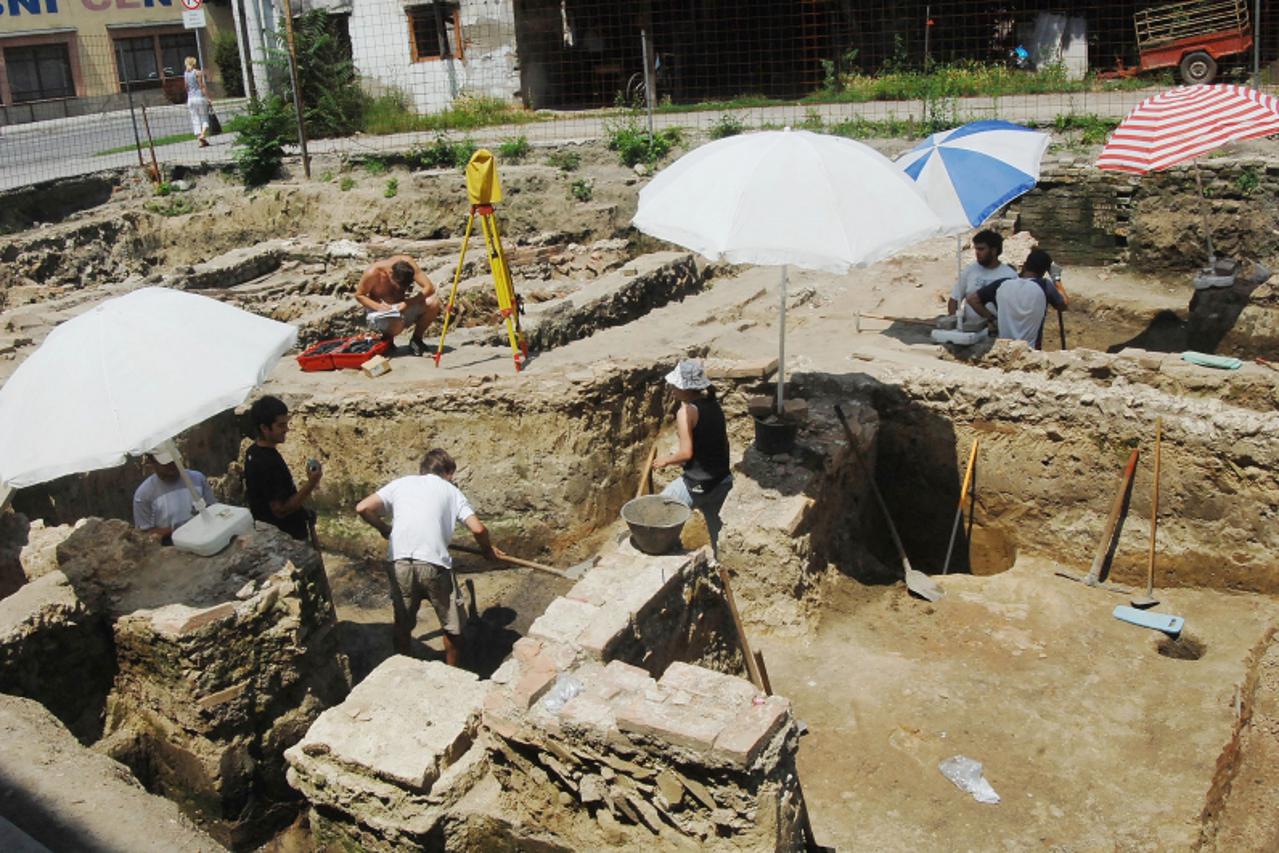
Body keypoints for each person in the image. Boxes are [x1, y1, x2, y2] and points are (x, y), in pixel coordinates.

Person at [354, 449, 503, 666]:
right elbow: (478, 530)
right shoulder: (451, 491)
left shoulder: (401, 483)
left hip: (399, 563)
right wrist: (488, 550)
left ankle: (404, 667)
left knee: (403, 624)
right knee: (453, 627)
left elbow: (363, 508)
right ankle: (451, 674)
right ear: (449, 472)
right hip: (434, 563)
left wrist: (384, 529)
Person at [652, 360, 732, 558]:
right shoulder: (713, 404)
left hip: (698, 483)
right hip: (722, 480)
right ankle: (721, 566)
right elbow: (724, 443)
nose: (671, 388)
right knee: (718, 534)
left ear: (683, 387)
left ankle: (672, 551)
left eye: (674, 385)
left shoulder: (685, 412)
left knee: (660, 511)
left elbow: (686, 453)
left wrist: (666, 460)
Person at [244, 395, 321, 543]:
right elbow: (281, 510)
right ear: (265, 428)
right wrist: (312, 482)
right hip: (287, 537)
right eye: (281, 425)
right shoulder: (267, 463)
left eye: (286, 424)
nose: (286, 429)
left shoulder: (252, 452)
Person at [966, 248, 1067, 349]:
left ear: (1025, 265)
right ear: (1044, 271)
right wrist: (1056, 277)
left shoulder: (1002, 284)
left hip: (1004, 350)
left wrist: (992, 319)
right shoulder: (1044, 286)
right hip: (1031, 351)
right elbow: (1063, 304)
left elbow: (972, 300)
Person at [354, 256, 441, 356]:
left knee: (433, 302)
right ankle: (387, 341)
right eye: (397, 285)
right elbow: (359, 295)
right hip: (380, 314)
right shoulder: (373, 273)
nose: (400, 288)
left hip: (401, 308)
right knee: (396, 322)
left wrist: (408, 303)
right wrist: (378, 307)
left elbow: (429, 287)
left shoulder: (408, 264)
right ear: (390, 273)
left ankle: (416, 340)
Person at [133, 448, 216, 544]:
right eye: (166, 464)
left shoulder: (197, 479)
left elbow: (214, 509)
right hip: (170, 547)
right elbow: (144, 534)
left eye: (175, 461)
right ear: (152, 462)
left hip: (206, 536)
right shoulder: (144, 495)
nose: (173, 467)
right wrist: (179, 529)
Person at [948, 229, 1017, 331]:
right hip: (970, 330)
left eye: (981, 249)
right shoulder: (969, 271)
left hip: (996, 330)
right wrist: (955, 324)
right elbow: (954, 300)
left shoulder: (1010, 275)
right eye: (976, 249)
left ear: (994, 250)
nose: (977, 253)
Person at [183, 57, 213, 148]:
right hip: (199, 97)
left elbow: (186, 87)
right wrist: (208, 97)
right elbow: (202, 86)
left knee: (195, 118)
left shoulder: (185, 74)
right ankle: (203, 134)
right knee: (204, 117)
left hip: (191, 99)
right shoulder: (198, 72)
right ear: (194, 63)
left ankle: (201, 140)